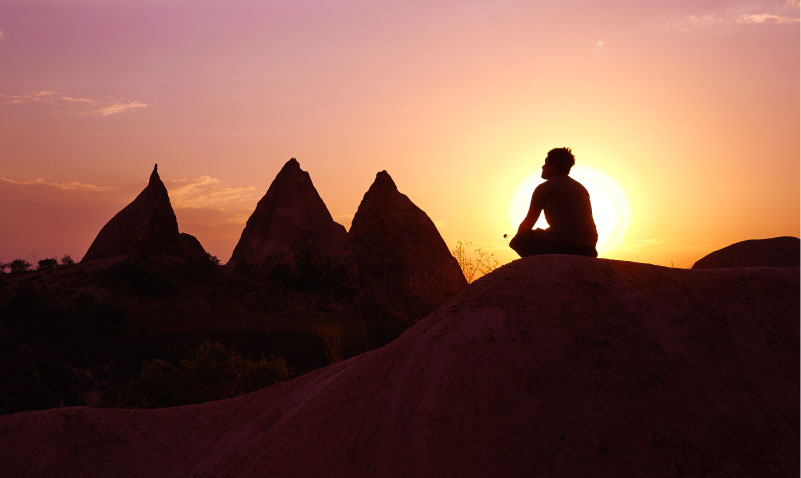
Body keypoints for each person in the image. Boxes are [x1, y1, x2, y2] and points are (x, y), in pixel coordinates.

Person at [509, 147, 598, 258]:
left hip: (562, 246)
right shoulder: (581, 188)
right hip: (588, 249)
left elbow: (529, 221)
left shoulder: (544, 188)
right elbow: (570, 224)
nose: (542, 167)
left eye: (546, 163)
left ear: (554, 167)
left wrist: (518, 238)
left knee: (518, 241)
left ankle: (540, 271)